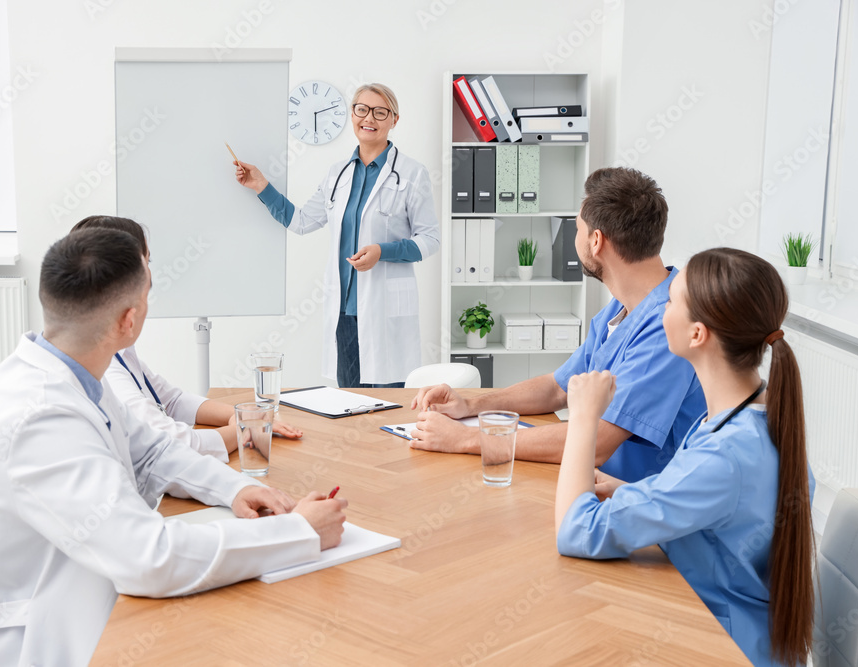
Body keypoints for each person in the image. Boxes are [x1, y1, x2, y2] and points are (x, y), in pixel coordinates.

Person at [0, 229, 347, 666]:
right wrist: (299, 532)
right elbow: (148, 558)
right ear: (129, 320)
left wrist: (232, 490)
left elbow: (152, 450)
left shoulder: (69, 373)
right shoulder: (42, 416)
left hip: (83, 593)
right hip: (38, 638)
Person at [555, 248, 815, 667]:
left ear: (697, 335)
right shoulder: (751, 417)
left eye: (671, 300)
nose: (661, 309)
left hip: (722, 646)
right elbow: (721, 514)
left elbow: (576, 532)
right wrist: (631, 491)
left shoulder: (725, 456)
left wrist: (585, 417)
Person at [411, 167, 705, 483]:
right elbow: (557, 387)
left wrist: (467, 439)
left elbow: (598, 442)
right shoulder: (623, 309)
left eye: (576, 228)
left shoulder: (668, 324)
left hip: (636, 508)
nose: (572, 237)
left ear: (596, 241)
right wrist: (469, 405)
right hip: (595, 485)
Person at [234, 83, 440, 388]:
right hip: (345, 313)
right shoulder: (337, 174)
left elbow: (430, 239)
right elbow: (302, 221)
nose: (369, 118)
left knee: (390, 406)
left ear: (394, 120)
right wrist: (262, 186)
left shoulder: (412, 173)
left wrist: (383, 251)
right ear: (352, 113)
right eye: (362, 109)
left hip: (386, 312)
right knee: (352, 408)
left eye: (380, 112)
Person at [70, 215, 303, 463]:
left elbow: (171, 400)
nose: (149, 274)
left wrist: (242, 416)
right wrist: (245, 430)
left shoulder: (116, 349)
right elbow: (173, 444)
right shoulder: (102, 368)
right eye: (147, 261)